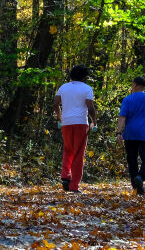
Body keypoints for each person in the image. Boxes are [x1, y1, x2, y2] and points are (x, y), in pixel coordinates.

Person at [54, 65, 97, 193]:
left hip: (66, 123)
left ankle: (65, 176)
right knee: (78, 153)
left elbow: (55, 104)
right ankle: (74, 186)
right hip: (80, 123)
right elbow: (90, 107)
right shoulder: (87, 88)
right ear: (84, 77)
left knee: (68, 150)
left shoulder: (63, 87)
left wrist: (60, 118)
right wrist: (94, 121)